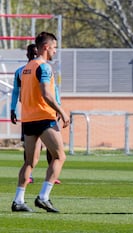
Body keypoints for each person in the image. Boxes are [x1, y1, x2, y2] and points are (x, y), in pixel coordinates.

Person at [11, 32, 70, 213]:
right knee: (60, 156)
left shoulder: (26, 68)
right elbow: (46, 93)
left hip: (28, 119)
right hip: (44, 117)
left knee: (30, 161)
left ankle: (18, 200)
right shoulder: (44, 67)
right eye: (54, 47)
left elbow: (20, 94)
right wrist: (61, 111)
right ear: (46, 47)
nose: (55, 51)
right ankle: (43, 197)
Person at [10, 44, 61, 185]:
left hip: (36, 114)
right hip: (38, 114)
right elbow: (16, 91)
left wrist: (57, 105)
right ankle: (40, 184)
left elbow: (53, 89)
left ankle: (49, 176)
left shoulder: (40, 68)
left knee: (48, 151)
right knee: (48, 153)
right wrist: (12, 108)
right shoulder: (24, 71)